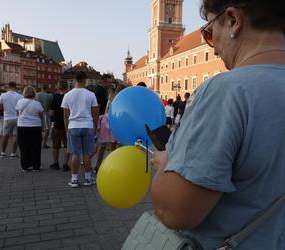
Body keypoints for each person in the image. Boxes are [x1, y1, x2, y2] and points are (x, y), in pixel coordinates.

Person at [150, 1, 285, 249]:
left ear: (233, 20)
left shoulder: (227, 91)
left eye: (210, 33)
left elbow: (174, 211)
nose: (213, 50)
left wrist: (165, 162)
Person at [61, 71, 99, 188]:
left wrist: (67, 129)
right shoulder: (90, 94)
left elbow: (66, 115)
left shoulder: (67, 95)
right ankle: (88, 179)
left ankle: (74, 179)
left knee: (75, 154)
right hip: (87, 125)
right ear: (85, 80)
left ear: (75, 79)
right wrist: (95, 126)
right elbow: (95, 113)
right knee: (87, 154)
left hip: (73, 126)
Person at [94, 84, 126, 173]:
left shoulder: (111, 99)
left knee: (102, 146)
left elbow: (106, 112)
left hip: (106, 122)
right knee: (115, 146)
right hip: (116, 123)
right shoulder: (121, 101)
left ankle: (97, 165)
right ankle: (114, 166)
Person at [16, 86, 43, 172]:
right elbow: (41, 115)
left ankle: (25, 166)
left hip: (22, 126)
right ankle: (35, 166)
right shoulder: (37, 103)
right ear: (34, 93)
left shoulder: (19, 102)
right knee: (35, 146)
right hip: (35, 126)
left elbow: (18, 113)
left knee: (23, 146)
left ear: (24, 93)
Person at [0, 82, 23, 158]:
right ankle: (13, 154)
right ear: (15, 87)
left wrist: (5, 107)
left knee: (5, 136)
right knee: (15, 136)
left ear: (8, 87)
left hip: (7, 118)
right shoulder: (20, 96)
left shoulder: (3, 95)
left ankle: (2, 153)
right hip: (17, 118)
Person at [49, 81, 70, 172]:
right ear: (67, 87)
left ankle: (56, 163)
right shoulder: (69, 97)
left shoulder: (55, 97)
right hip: (68, 124)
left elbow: (51, 113)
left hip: (57, 125)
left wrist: (53, 118)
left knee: (55, 145)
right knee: (67, 145)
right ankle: (65, 164)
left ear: (59, 87)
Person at [36, 84, 52, 149]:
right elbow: (51, 106)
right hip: (46, 113)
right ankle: (44, 144)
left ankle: (37, 143)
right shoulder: (49, 96)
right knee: (47, 129)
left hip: (37, 114)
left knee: (38, 129)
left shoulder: (36, 95)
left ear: (41, 88)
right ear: (47, 89)